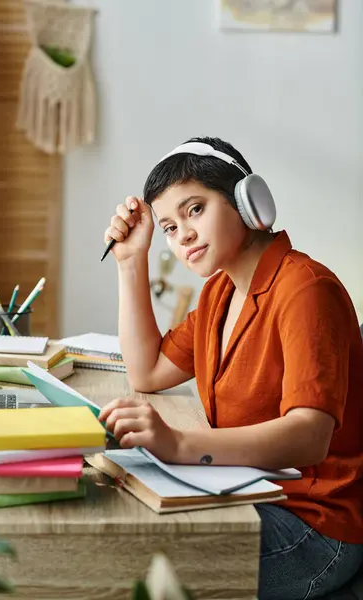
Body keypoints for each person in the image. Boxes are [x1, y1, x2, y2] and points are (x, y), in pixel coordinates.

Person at [99, 136, 363, 599]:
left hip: (314, 527)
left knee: (136, 564)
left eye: (194, 209)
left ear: (247, 201)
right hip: (254, 494)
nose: (181, 234)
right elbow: (148, 372)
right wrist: (129, 261)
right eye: (167, 226)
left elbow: (310, 434)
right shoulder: (220, 294)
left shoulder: (305, 289)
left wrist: (179, 443)